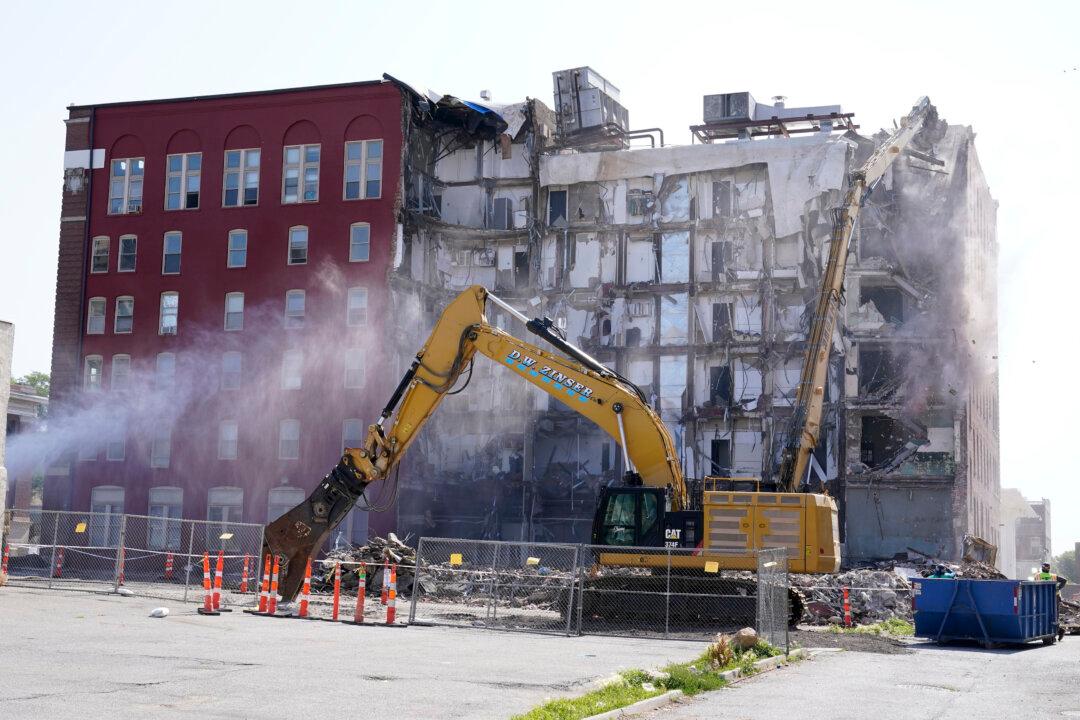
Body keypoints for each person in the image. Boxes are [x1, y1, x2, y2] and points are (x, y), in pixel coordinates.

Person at [1035, 562, 1068, 641]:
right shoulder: (1053, 576)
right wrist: (1058, 588)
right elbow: (1064, 580)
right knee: (1054, 615)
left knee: (1043, 614)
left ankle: (1056, 632)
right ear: (1049, 568)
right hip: (1055, 597)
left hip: (1043, 597)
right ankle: (1058, 631)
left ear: (1042, 568)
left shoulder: (1038, 576)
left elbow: (1034, 586)